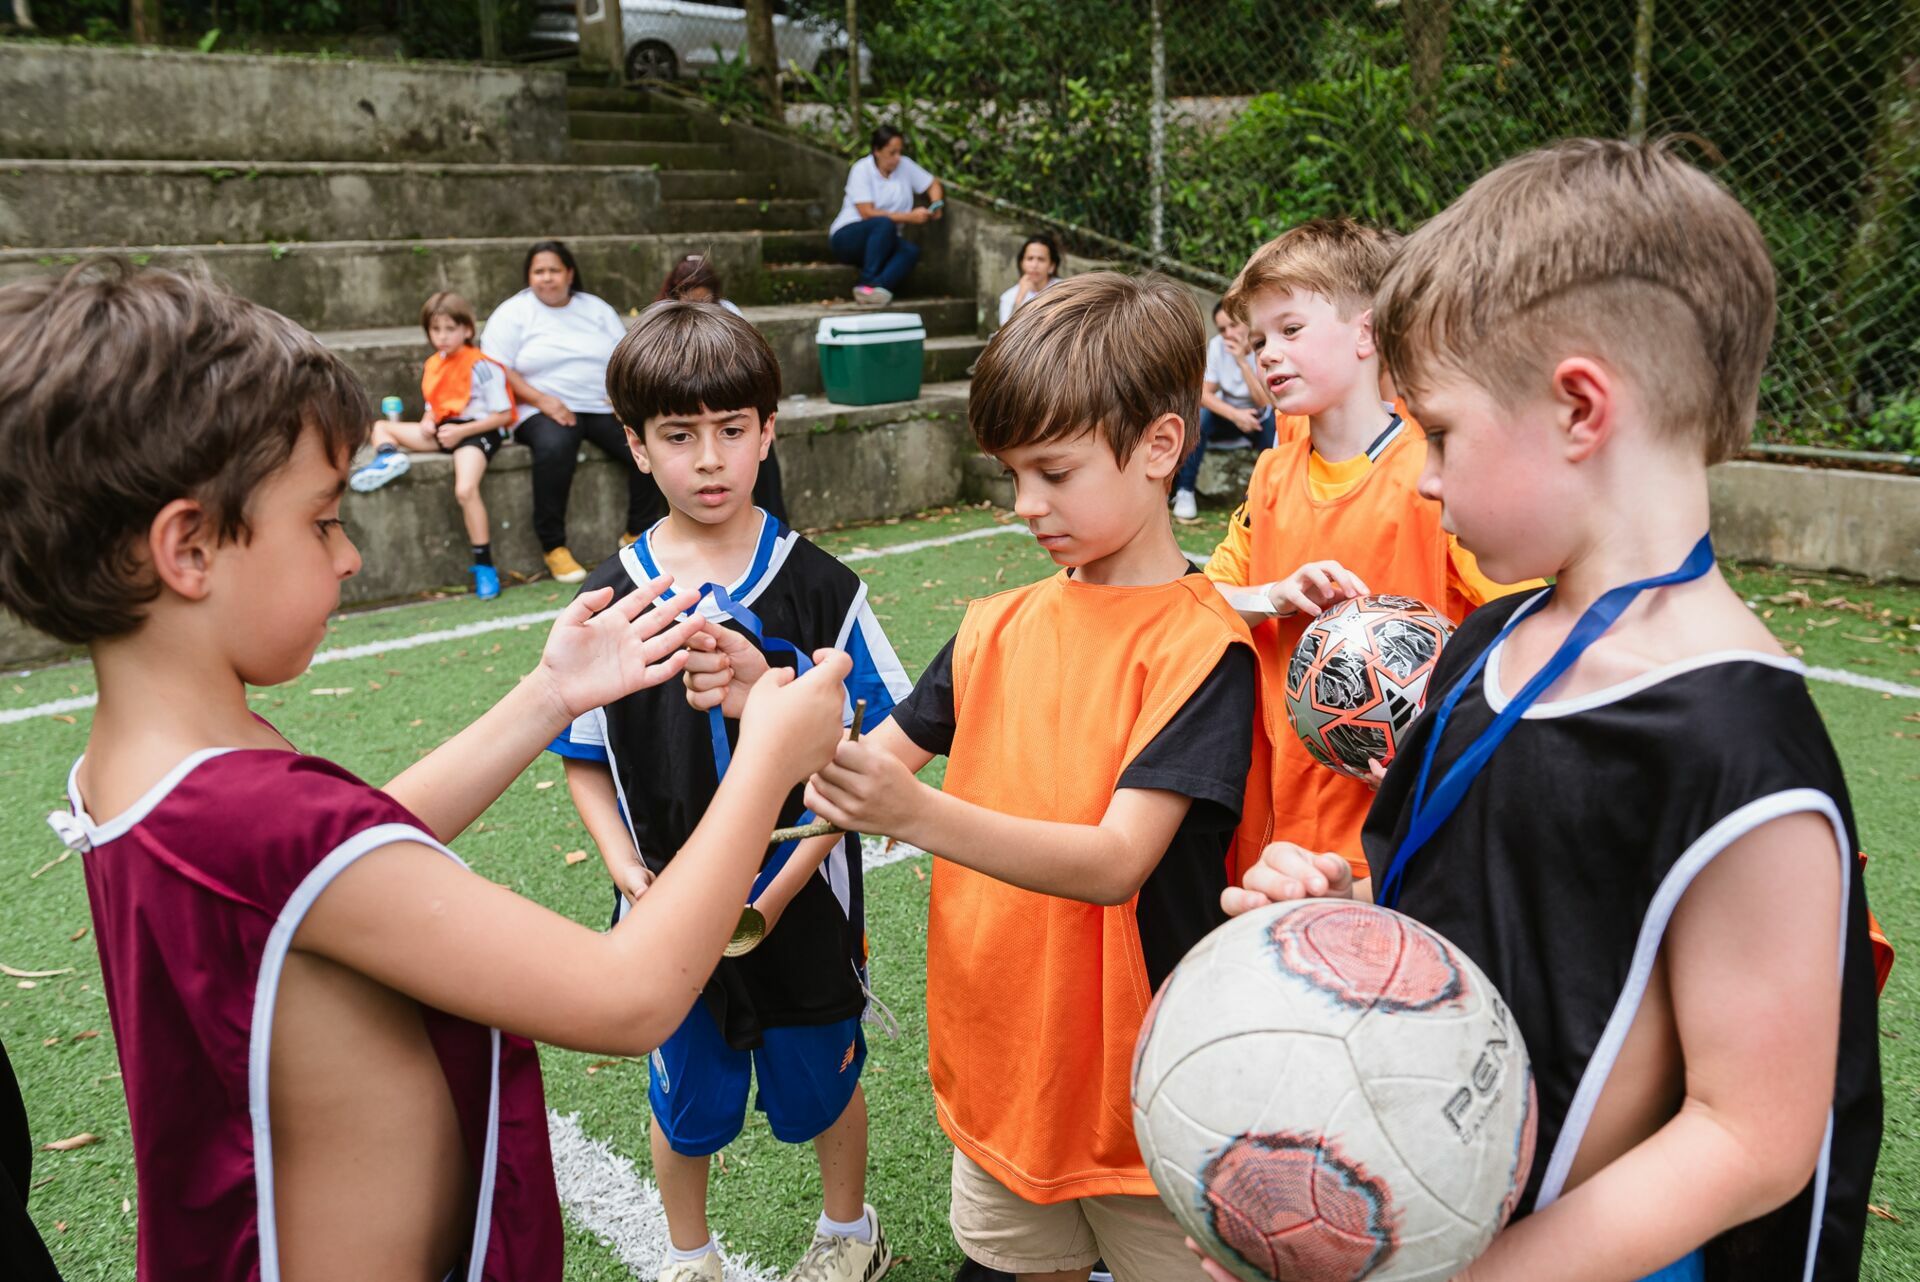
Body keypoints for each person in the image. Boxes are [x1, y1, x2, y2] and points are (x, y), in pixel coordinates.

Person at [0, 261, 853, 1282]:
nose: (350, 555)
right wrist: (767, 755)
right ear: (187, 548)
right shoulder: (257, 820)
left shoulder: (144, 769)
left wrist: (549, 696)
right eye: (322, 520)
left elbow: (353, 849)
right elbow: (629, 997)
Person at [1211, 140, 1884, 1282]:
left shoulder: (1738, 750)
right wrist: (1344, 912)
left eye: (1442, 433)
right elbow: (1499, 910)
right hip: (1442, 1207)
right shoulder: (1488, 642)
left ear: (1580, 407)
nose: (1421, 478)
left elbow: (1750, 1137)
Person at [701, 273, 1272, 1281]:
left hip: (1147, 1095)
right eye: (1014, 474)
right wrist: (766, 706)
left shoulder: (1201, 649)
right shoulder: (994, 628)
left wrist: (917, 814)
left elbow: (1114, 860)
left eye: (1054, 471)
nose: (1026, 504)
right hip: (1008, 1071)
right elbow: (866, 769)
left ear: (1159, 447)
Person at [553, 301, 911, 1282]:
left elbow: (883, 739)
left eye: (730, 429)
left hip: (797, 899)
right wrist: (629, 871)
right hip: (665, 901)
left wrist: (785, 884)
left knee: (823, 1083)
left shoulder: (823, 587)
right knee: (686, 1096)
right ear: (634, 445)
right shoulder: (611, 592)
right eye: (678, 434)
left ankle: (848, 1233)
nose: (708, 458)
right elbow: (584, 754)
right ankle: (688, 1253)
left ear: (768, 431)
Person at [1203, 218, 1537, 893]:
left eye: (1291, 330)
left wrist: (1440, 732)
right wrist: (1272, 595)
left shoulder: (1431, 475)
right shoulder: (1272, 477)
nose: (1268, 354)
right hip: (1281, 823)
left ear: (1367, 333)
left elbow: (1527, 625)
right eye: (1260, 338)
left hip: (1398, 823)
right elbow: (1202, 601)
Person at [483, 239, 663, 584]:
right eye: (539, 271)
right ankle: (554, 547)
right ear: (529, 276)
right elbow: (497, 365)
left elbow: (621, 355)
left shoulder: (594, 308)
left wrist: (621, 399)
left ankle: (637, 533)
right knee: (556, 447)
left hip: (598, 404)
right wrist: (541, 400)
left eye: (553, 270)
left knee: (647, 443)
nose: (546, 278)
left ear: (569, 273)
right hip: (538, 408)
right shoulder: (513, 313)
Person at [348, 291, 517, 599]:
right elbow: (433, 404)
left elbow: (503, 416)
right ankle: (389, 458)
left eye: (450, 329)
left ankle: (484, 566)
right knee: (382, 427)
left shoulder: (482, 365)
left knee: (465, 490)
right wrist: (428, 420)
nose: (442, 337)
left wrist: (460, 432)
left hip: (476, 432)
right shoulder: (432, 364)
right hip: (443, 430)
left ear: (466, 329)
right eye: (435, 330)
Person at [654, 253, 788, 522]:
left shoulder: (729, 312)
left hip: (725, 396)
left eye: (705, 300)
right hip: (680, 401)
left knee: (762, 449)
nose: (698, 308)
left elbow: (752, 365)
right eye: (690, 300)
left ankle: (777, 523)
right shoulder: (662, 319)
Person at [1170, 298, 1294, 523]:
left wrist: (1242, 362)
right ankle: (1184, 492)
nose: (1229, 333)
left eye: (1233, 325)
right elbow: (1202, 394)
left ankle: (1270, 495)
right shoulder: (1217, 346)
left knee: (1274, 423)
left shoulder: (1263, 346)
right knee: (1200, 417)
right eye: (1223, 329)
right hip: (1227, 417)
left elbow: (1266, 401)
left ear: (1246, 322)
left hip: (1257, 417)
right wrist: (1235, 415)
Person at [828, 124, 943, 307]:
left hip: (883, 242)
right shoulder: (862, 169)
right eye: (892, 153)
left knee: (910, 251)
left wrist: (936, 204)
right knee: (883, 223)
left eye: (899, 152)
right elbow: (866, 213)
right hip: (847, 238)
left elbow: (932, 183)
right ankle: (867, 281)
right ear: (877, 151)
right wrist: (909, 217)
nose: (897, 158)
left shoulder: (904, 165)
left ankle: (876, 288)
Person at [998, 233, 1062, 327]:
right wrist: (1019, 299)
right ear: (1022, 263)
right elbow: (1005, 334)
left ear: (1051, 266)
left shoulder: (1063, 288)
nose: (1034, 265)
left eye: (1041, 259)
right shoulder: (1009, 297)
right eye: (1030, 259)